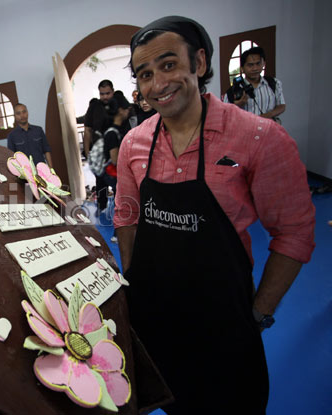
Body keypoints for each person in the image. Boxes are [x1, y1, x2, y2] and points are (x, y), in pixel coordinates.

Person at [114, 16, 315, 414]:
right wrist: (135, 288)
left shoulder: (260, 138)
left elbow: (294, 233)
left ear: (200, 62)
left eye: (169, 65)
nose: (158, 84)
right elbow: (126, 217)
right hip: (157, 320)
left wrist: (259, 313)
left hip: (225, 321)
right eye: (145, 74)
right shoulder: (134, 143)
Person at [223, 46, 286, 122]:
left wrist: (267, 115)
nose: (255, 68)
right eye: (250, 65)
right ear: (242, 68)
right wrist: (238, 105)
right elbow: (224, 115)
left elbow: (281, 105)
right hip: (246, 128)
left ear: (264, 63)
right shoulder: (232, 92)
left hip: (269, 127)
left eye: (258, 64)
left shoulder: (273, 83)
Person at [97, 91, 131, 216]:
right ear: (120, 111)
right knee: (121, 202)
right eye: (126, 109)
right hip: (114, 174)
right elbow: (115, 160)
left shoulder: (113, 130)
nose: (128, 112)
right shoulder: (113, 133)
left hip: (113, 174)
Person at [83, 79, 115, 159]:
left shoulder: (119, 104)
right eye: (102, 94)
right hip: (99, 152)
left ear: (113, 91)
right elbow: (87, 131)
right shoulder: (94, 107)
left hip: (118, 150)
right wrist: (87, 154)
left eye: (107, 93)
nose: (105, 97)